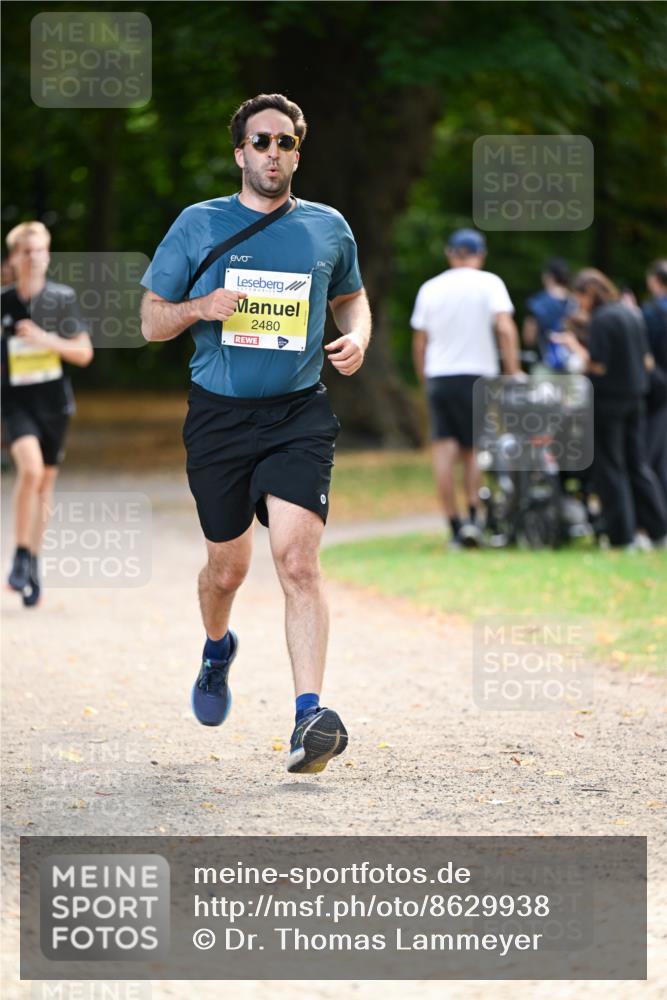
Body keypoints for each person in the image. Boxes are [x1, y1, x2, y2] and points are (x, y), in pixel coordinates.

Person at [140, 93, 371, 775]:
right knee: (227, 569)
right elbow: (152, 320)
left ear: (299, 151)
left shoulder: (327, 227)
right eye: (261, 142)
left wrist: (355, 334)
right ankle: (217, 650)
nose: (274, 153)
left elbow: (350, 295)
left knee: (297, 563)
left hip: (298, 414)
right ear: (240, 151)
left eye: (286, 142)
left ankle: (309, 718)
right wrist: (199, 307)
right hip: (218, 416)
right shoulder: (198, 223)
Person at [410, 228, 520, 548]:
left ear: (450, 254)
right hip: (477, 376)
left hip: (440, 376)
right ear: (480, 255)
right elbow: (504, 327)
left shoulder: (430, 288)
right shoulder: (490, 283)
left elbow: (420, 342)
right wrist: (512, 370)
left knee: (443, 451)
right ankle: (474, 517)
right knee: (473, 451)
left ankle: (454, 526)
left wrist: (425, 379)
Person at [2, 221, 93, 606]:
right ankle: (20, 554)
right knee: (31, 470)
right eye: (27, 251)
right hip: (14, 403)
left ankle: (33, 561)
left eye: (40, 250)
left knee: (45, 487)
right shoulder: (4, 301)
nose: (34, 257)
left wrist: (45, 340)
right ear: (14, 258)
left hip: (54, 405)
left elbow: (84, 353)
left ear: (48, 255)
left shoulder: (62, 298)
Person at [553, 268, 667, 548]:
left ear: (589, 292)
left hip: (609, 402)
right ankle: (658, 530)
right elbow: (647, 362)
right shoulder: (631, 313)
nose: (580, 304)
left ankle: (622, 536)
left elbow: (598, 365)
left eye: (580, 297)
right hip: (637, 399)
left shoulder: (602, 320)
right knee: (637, 465)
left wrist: (574, 346)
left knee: (611, 467)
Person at [641, 259, 667, 506]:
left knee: (648, 456)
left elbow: (644, 353)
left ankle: (653, 520)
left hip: (657, 390)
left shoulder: (651, 312)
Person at [522, 257, 577, 371]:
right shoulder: (577, 303)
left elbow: (529, 338)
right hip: (573, 366)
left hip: (545, 366)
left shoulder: (537, 302)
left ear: (548, 276)